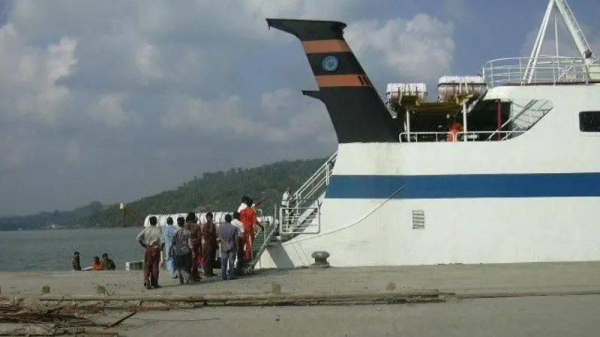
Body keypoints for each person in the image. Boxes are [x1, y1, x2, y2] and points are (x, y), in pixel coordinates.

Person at [136, 216, 163, 289]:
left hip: (148, 248)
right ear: (156, 222)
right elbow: (162, 241)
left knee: (147, 265)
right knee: (155, 266)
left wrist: (143, 245)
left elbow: (138, 238)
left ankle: (146, 280)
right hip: (156, 248)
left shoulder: (146, 229)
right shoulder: (158, 230)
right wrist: (161, 249)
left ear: (149, 222)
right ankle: (154, 283)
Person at [170, 216, 193, 284]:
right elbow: (190, 243)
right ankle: (187, 279)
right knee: (187, 266)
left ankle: (181, 280)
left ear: (177, 223)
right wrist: (192, 250)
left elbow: (172, 242)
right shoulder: (188, 232)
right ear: (184, 223)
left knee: (180, 266)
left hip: (177, 251)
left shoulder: (175, 232)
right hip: (186, 251)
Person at [218, 214, 239, 280]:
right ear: (231, 219)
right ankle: (231, 275)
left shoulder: (220, 227)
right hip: (232, 246)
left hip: (224, 245)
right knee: (231, 261)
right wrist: (237, 246)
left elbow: (219, 237)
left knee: (223, 261)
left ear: (225, 219)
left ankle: (223, 275)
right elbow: (236, 239)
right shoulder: (234, 228)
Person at [185, 212, 202, 282]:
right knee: (194, 261)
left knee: (187, 261)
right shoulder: (197, 226)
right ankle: (194, 275)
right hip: (195, 244)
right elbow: (199, 237)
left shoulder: (185, 226)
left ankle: (188, 276)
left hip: (186, 245)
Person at [201, 212, 217, 277]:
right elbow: (209, 232)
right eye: (209, 217)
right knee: (207, 259)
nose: (210, 218)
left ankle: (210, 272)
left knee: (212, 258)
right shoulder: (206, 225)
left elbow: (214, 234)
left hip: (212, 243)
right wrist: (211, 224)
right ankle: (207, 273)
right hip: (208, 244)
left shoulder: (212, 225)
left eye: (211, 217)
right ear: (207, 218)